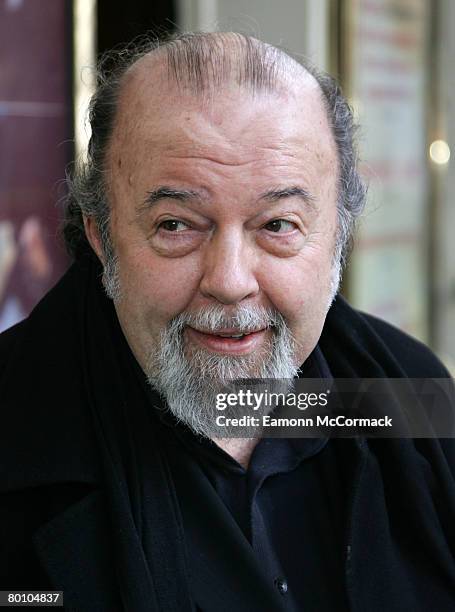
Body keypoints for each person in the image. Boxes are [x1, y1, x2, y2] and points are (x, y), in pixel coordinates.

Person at [0, 32, 454, 612]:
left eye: (278, 224)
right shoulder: (14, 423)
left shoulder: (405, 393)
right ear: (101, 234)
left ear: (339, 232)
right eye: (176, 225)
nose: (231, 279)